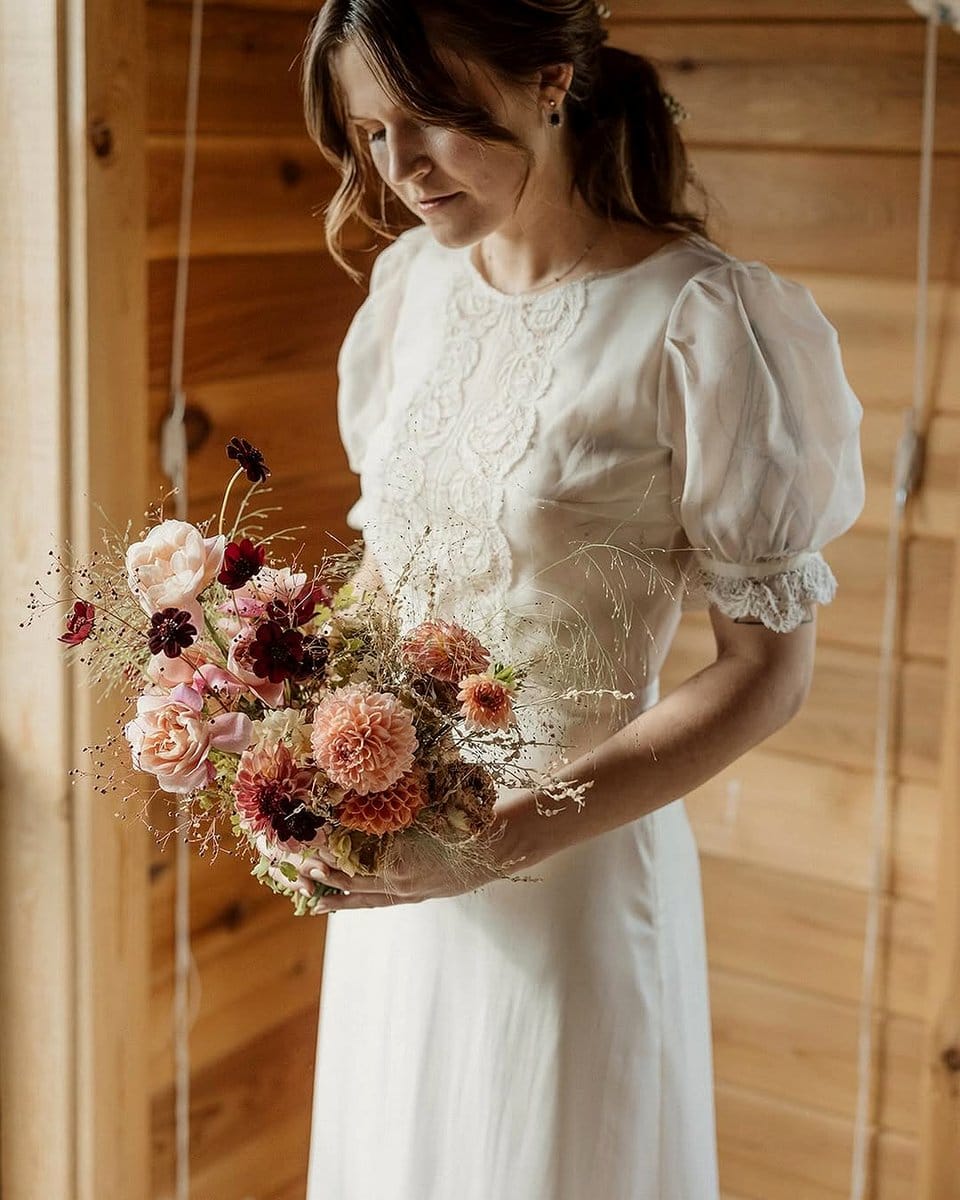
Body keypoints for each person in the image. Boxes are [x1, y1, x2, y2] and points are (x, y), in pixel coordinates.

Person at [268, 2, 866, 1197]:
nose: (400, 173)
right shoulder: (409, 291)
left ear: (550, 81)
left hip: (570, 879)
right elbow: (395, 563)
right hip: (401, 872)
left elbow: (765, 673)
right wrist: (295, 746)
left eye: (432, 123)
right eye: (370, 134)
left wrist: (492, 842)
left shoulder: (704, 320)